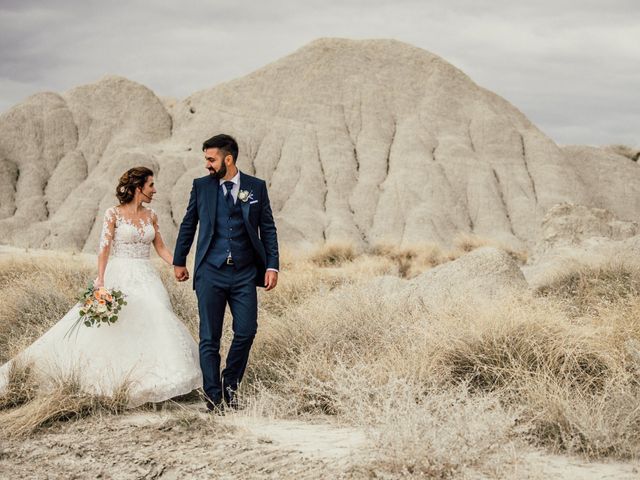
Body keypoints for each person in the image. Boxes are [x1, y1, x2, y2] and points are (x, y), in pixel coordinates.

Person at [0, 167, 201, 407]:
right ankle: (116, 380)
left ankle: (156, 381)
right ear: (139, 188)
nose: (154, 190)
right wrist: (101, 281)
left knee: (158, 316)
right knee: (116, 329)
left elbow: (160, 247)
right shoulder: (113, 214)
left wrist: (178, 265)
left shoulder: (151, 215)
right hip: (120, 275)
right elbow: (104, 248)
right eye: (150, 186)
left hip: (147, 276)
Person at [173, 134, 279, 412]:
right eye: (206, 159)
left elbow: (267, 228)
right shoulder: (201, 187)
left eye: (211, 159)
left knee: (246, 331)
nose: (207, 164)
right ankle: (213, 397)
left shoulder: (256, 187)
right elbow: (188, 224)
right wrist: (179, 260)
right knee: (210, 337)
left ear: (228, 159)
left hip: (245, 273)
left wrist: (272, 265)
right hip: (210, 271)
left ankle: (229, 384)